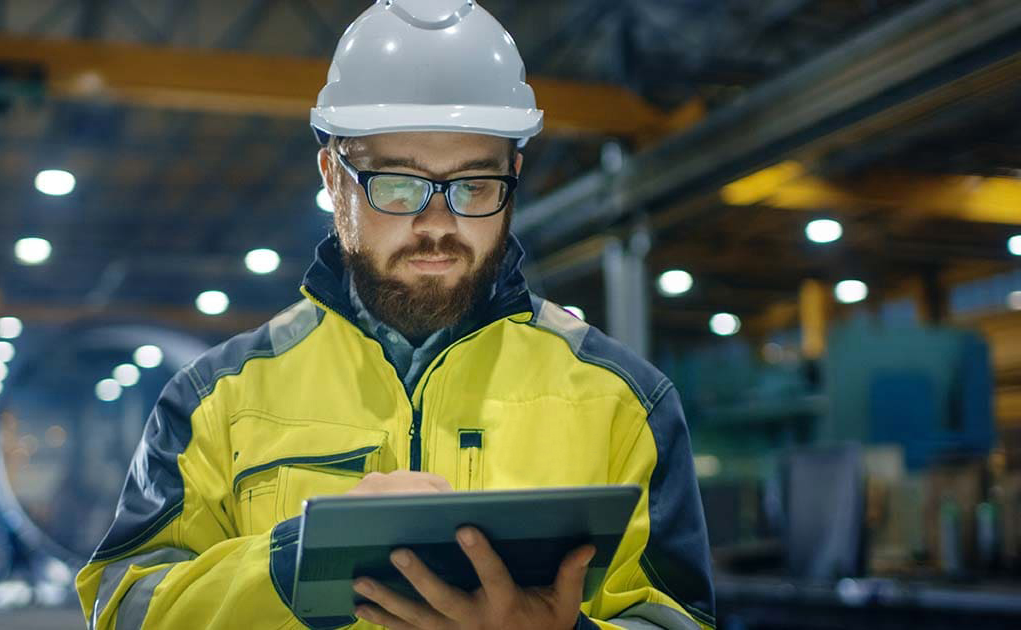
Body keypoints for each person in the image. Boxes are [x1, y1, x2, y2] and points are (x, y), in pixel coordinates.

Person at [75, 1, 714, 628]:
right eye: (398, 184)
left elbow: (676, 619)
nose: (437, 224)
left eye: (474, 186)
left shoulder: (623, 403)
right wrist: (293, 564)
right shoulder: (216, 401)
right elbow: (125, 607)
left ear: (512, 175)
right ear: (333, 175)